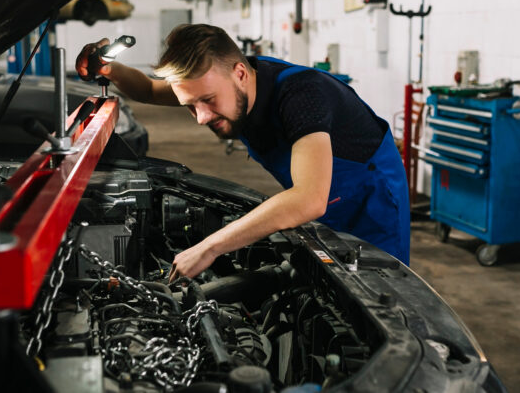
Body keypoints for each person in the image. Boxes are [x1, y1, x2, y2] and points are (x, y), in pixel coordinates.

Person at [75, 24, 410, 282]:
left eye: (207, 100)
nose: (201, 117)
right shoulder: (230, 82)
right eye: (189, 105)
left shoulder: (302, 96)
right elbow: (148, 88)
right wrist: (110, 69)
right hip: (322, 203)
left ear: (239, 72)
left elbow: (308, 199)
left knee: (377, 298)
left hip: (370, 207)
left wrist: (208, 247)